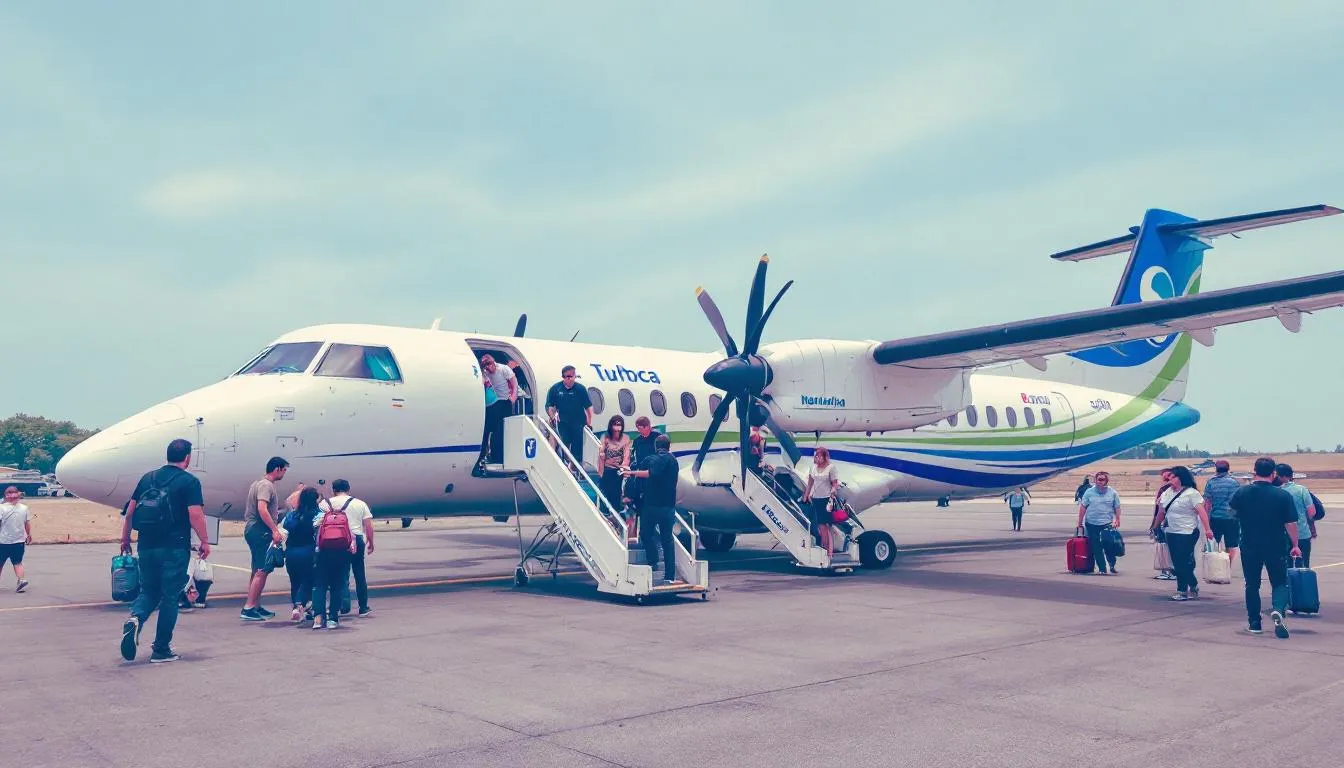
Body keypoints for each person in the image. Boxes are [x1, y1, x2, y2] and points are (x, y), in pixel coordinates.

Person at [119, 439, 211, 663]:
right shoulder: (189, 482)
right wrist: (205, 541)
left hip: (146, 545)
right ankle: (161, 649)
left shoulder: (147, 478)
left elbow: (130, 512)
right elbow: (195, 514)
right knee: (170, 597)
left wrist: (125, 537)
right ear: (187, 458)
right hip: (174, 548)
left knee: (148, 591)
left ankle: (136, 618)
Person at [1230, 457, 1302, 638]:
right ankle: (1278, 609)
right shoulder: (1283, 495)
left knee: (1252, 585)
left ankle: (1254, 622)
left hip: (1249, 544)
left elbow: (1231, 513)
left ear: (1254, 471)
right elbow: (1291, 523)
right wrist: (1295, 545)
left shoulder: (1242, 492)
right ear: (1274, 473)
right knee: (1279, 582)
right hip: (1276, 545)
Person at [620, 434, 679, 585]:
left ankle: (653, 561)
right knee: (667, 541)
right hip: (669, 506)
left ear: (656, 446)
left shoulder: (657, 460)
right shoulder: (674, 461)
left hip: (652, 506)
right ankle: (670, 576)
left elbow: (651, 474)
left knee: (646, 534)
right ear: (668, 446)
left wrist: (631, 472)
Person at [1152, 466, 1213, 601]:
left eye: (1173, 477)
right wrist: (1155, 527)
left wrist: (1208, 529)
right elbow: (1161, 512)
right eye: (1170, 477)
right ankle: (1192, 583)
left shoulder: (1191, 493)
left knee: (1181, 562)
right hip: (1171, 531)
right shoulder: (1167, 493)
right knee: (1178, 562)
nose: (1170, 479)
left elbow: (1202, 512)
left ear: (1181, 478)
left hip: (1188, 532)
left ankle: (1182, 591)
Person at [240, 457, 289, 622]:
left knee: (257, 570)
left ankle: (255, 605)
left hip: (255, 530)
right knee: (262, 570)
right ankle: (248, 608)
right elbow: (262, 508)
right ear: (277, 469)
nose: (284, 474)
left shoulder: (258, 483)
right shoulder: (266, 486)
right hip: (260, 531)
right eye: (284, 470)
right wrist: (274, 529)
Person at [321, 479, 374, 617]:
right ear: (348, 489)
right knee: (359, 574)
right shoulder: (360, 503)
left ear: (333, 489)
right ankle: (363, 607)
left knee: (340, 574)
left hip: (336, 540)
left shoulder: (325, 503)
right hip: (356, 540)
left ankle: (342, 606)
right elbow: (368, 525)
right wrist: (370, 541)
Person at [312, 492, 358, 630]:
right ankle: (333, 618)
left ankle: (318, 618)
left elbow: (315, 534)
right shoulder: (345, 518)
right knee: (336, 587)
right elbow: (352, 539)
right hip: (340, 555)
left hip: (322, 555)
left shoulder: (320, 518)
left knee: (319, 587)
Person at [282, 486, 321, 622]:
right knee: (308, 580)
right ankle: (301, 604)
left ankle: (296, 607)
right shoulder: (318, 514)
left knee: (295, 581)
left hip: (291, 552)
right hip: (308, 551)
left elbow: (285, 528)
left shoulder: (292, 515)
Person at [545, 365, 593, 464]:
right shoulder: (556, 389)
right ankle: (565, 464)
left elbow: (588, 407)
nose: (571, 378)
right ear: (563, 377)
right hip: (563, 422)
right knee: (564, 443)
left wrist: (589, 421)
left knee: (577, 447)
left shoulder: (580, 389)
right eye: (568, 376)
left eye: (573, 376)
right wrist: (552, 416)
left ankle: (575, 466)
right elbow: (549, 406)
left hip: (578, 422)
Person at [1075, 471, 1121, 575]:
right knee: (1096, 547)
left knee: (1109, 545)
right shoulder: (1089, 492)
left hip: (1107, 523)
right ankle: (1102, 569)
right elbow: (1083, 507)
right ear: (1095, 480)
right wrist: (1080, 522)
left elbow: (1117, 507)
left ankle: (1112, 563)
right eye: (1098, 480)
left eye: (1102, 480)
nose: (1100, 482)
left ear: (1106, 481)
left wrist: (1117, 519)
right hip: (1092, 523)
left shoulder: (1113, 493)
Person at [1202, 460, 1242, 575]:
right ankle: (1227, 567)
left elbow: (1208, 502)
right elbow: (1236, 501)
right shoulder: (1234, 483)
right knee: (1231, 544)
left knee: (1214, 543)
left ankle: (1215, 567)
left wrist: (1207, 518)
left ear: (1216, 469)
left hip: (1216, 517)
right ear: (1228, 469)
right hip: (1231, 518)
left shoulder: (1211, 482)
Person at [1274, 464, 1317, 567]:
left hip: (1283, 534)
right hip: (1302, 532)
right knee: (1303, 564)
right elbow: (1312, 512)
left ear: (1280, 476)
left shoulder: (1277, 491)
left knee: (1285, 565)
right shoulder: (1302, 490)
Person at [802, 446, 840, 556]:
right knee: (820, 524)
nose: (817, 458)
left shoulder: (831, 468)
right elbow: (810, 482)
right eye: (816, 456)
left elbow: (835, 483)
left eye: (819, 456)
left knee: (824, 524)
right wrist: (806, 494)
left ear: (825, 457)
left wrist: (833, 490)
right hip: (816, 499)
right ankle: (826, 548)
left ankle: (827, 549)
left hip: (826, 499)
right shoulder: (813, 468)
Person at [480, 354, 517, 465]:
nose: (489, 368)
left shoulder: (503, 369)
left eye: (490, 365)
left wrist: (513, 397)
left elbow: (514, 382)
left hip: (505, 401)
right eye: (486, 367)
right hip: (494, 402)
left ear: (493, 362)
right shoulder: (485, 373)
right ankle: (487, 455)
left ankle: (499, 457)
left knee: (501, 430)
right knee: (490, 430)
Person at [0, 486, 32, 592]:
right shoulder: (24, 508)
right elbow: (27, 523)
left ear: (6, 496)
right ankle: (21, 580)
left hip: (3, 541)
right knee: (17, 562)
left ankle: (21, 581)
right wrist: (28, 534)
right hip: (19, 541)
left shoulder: (1, 508)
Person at [597, 416, 631, 513]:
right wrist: (602, 453)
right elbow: (601, 450)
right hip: (607, 468)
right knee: (605, 491)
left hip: (618, 470)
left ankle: (615, 512)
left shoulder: (625, 438)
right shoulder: (605, 436)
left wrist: (624, 467)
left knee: (616, 493)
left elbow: (627, 455)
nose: (617, 427)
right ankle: (605, 512)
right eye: (615, 424)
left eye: (619, 425)